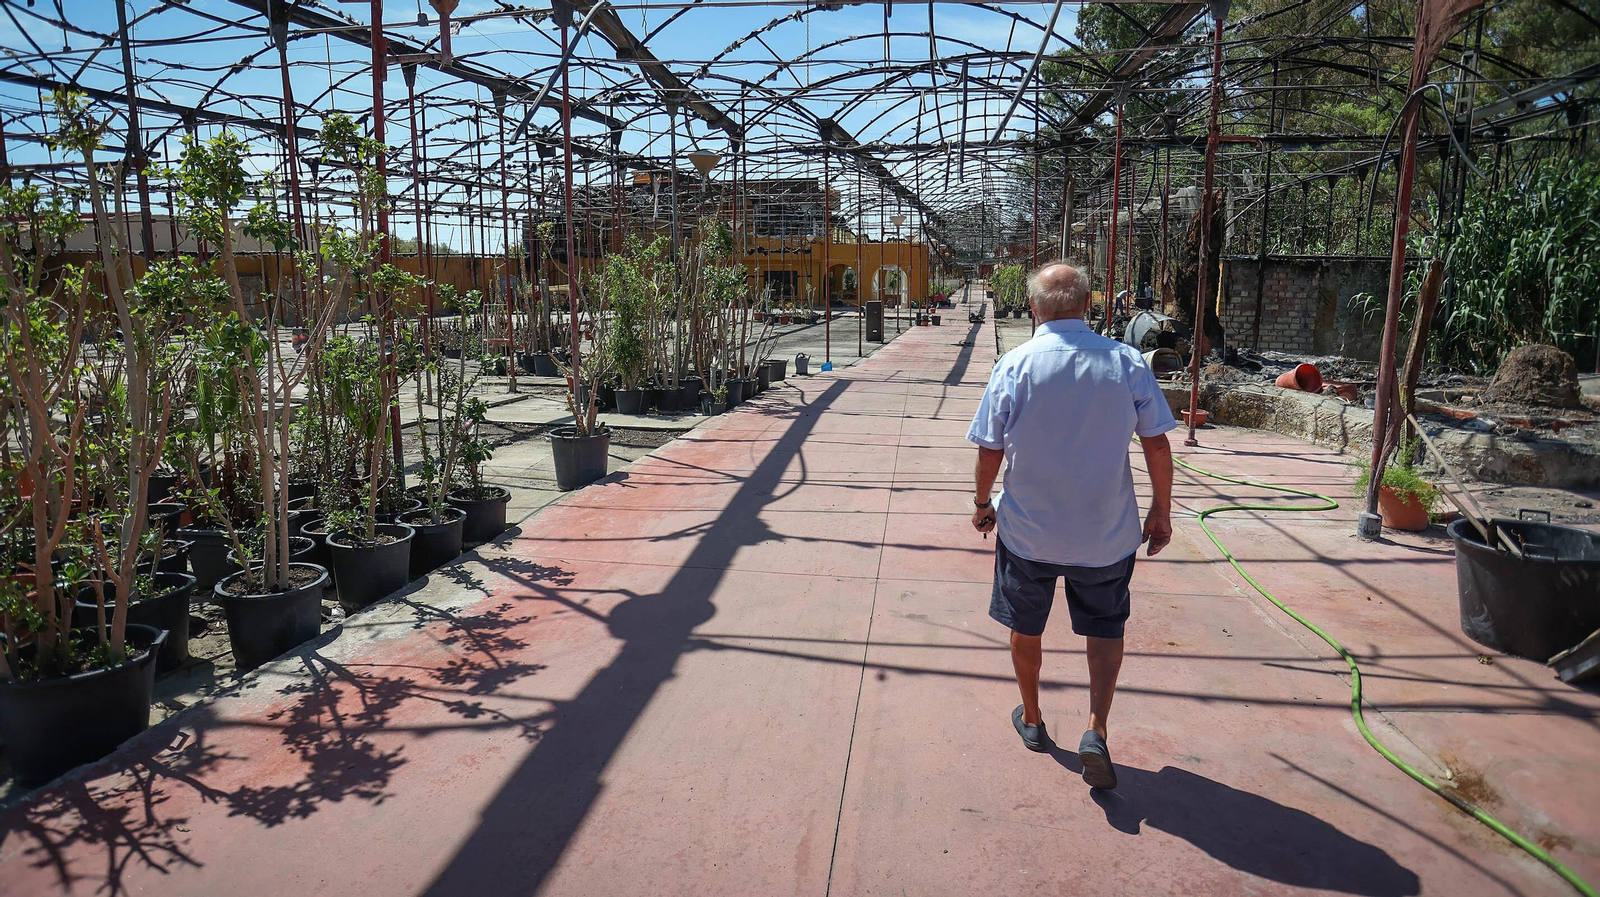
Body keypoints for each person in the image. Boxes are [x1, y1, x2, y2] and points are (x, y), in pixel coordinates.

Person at [966, 262, 1176, 791]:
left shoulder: (1014, 366)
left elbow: (990, 448)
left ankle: (1033, 719)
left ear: (1034, 309)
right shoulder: (1127, 363)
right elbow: (1156, 442)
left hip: (1028, 532)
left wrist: (981, 502)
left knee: (1025, 623)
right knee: (1105, 629)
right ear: (1088, 305)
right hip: (1106, 534)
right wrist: (1160, 511)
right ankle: (1096, 728)